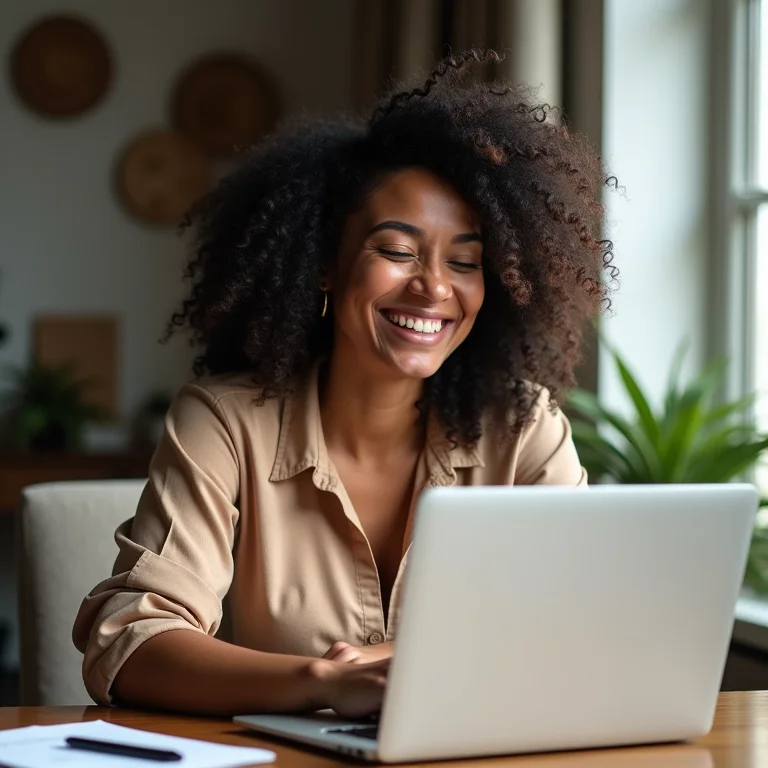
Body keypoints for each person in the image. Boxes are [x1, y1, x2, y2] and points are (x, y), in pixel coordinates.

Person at [73, 50, 615, 718]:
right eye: (396, 251)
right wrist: (324, 683)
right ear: (327, 265)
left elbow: (581, 623)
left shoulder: (524, 428)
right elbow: (131, 642)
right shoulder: (224, 422)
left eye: (466, 261)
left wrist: (389, 662)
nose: (434, 288)